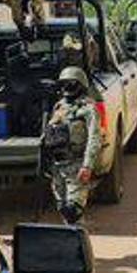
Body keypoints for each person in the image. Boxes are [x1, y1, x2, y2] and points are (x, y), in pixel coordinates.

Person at [42, 66, 101, 224]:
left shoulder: (88, 109)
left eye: (71, 83)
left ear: (80, 84)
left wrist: (87, 166)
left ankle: (79, 246)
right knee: (63, 209)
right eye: (64, 84)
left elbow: (94, 138)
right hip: (57, 166)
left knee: (73, 211)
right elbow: (48, 135)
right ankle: (71, 243)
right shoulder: (59, 106)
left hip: (76, 165)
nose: (66, 88)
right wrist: (45, 163)